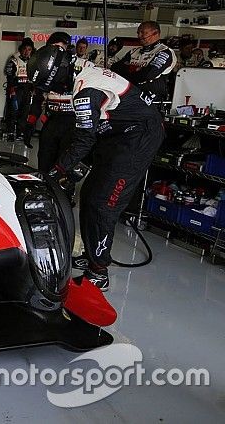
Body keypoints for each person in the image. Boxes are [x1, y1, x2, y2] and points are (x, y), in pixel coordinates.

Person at [29, 45, 164, 291]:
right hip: (121, 133)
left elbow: (84, 140)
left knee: (104, 204)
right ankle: (92, 253)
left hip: (139, 138)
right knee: (90, 194)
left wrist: (55, 172)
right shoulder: (82, 70)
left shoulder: (85, 90)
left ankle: (99, 271)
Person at [22, 32, 93, 177]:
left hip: (74, 122)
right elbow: (38, 97)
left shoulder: (85, 66)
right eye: (53, 47)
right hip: (52, 120)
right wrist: (30, 124)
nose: (56, 51)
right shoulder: (43, 63)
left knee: (64, 168)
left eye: (61, 47)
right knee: (44, 164)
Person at [110, 20, 177, 106]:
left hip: (152, 101)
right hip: (129, 96)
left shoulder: (165, 52)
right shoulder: (134, 51)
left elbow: (149, 74)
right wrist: (137, 69)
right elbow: (115, 69)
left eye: (143, 32)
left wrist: (129, 70)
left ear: (155, 33)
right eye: (138, 33)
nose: (139, 36)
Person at [3, 38, 34, 138]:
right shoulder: (14, 60)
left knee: (25, 112)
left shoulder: (33, 62)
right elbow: (9, 76)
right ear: (21, 49)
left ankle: (20, 132)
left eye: (29, 49)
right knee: (13, 111)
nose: (26, 52)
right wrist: (11, 90)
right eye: (25, 49)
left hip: (27, 90)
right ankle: (10, 132)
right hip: (15, 89)